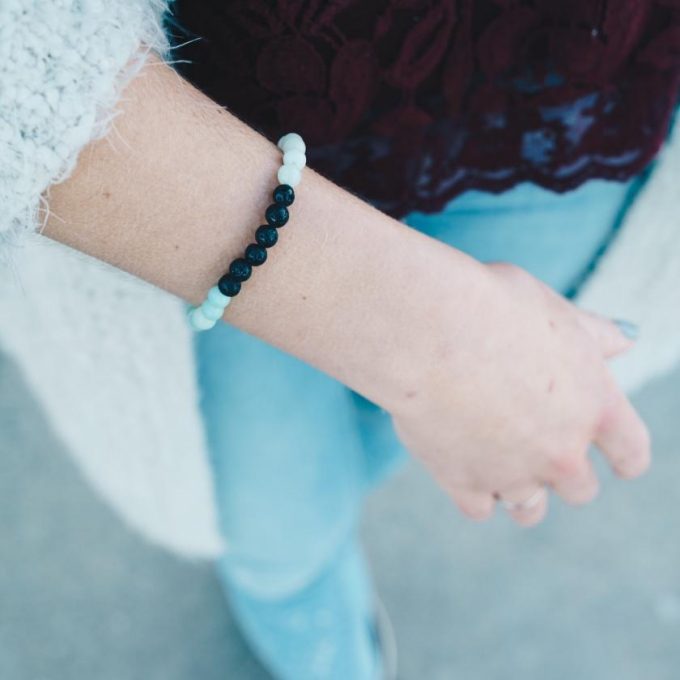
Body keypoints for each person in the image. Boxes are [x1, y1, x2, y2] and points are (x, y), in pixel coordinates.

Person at [1, 1, 676, 679]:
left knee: (394, 434)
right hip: (215, 123)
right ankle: (292, 586)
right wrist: (441, 344)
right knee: (276, 523)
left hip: (579, 89)